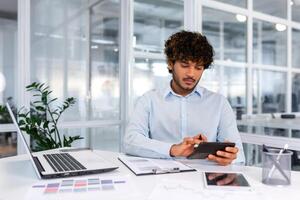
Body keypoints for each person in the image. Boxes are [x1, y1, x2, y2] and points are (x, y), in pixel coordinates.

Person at [124, 30, 245, 166]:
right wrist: (174, 150)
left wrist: (229, 157)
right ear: (170, 63)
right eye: (185, 65)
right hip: (160, 179)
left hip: (205, 179)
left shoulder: (219, 103)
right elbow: (130, 141)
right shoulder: (149, 100)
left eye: (198, 67)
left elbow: (239, 155)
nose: (191, 74)